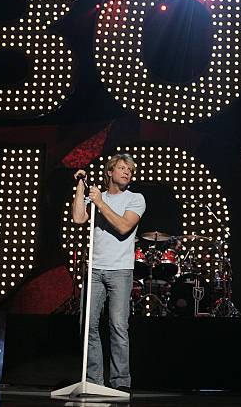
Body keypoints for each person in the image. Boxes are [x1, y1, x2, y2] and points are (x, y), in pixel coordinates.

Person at [72, 153, 146, 391]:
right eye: (122, 168)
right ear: (110, 172)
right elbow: (78, 218)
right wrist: (81, 187)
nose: (127, 172)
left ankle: (120, 383)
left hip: (120, 271)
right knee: (88, 326)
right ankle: (94, 381)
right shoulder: (97, 197)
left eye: (130, 170)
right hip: (94, 270)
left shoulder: (135, 198)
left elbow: (124, 227)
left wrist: (100, 204)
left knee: (117, 326)